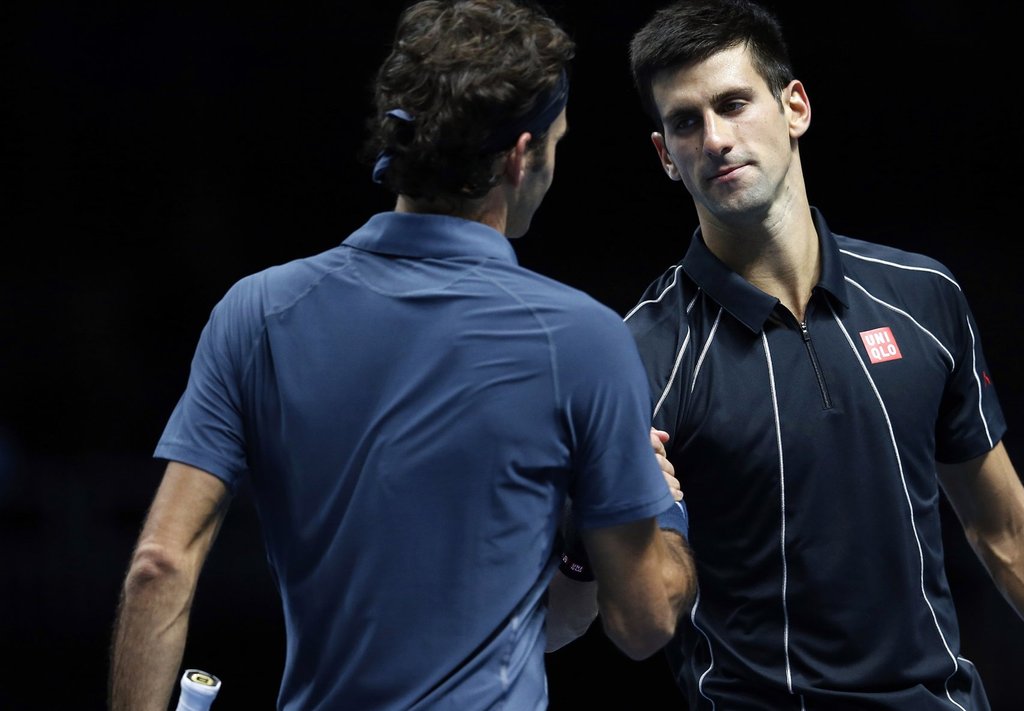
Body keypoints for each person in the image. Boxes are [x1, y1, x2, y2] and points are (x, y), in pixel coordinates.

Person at [107, 1, 696, 709]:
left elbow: (159, 563)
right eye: (557, 143)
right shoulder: (586, 340)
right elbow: (644, 620)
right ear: (519, 155)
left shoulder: (256, 313)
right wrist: (665, 508)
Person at [614, 1, 1024, 709]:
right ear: (665, 155)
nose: (717, 138)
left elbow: (1003, 525)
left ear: (795, 107)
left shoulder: (925, 297)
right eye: (687, 122)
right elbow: (645, 617)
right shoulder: (639, 355)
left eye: (733, 103)